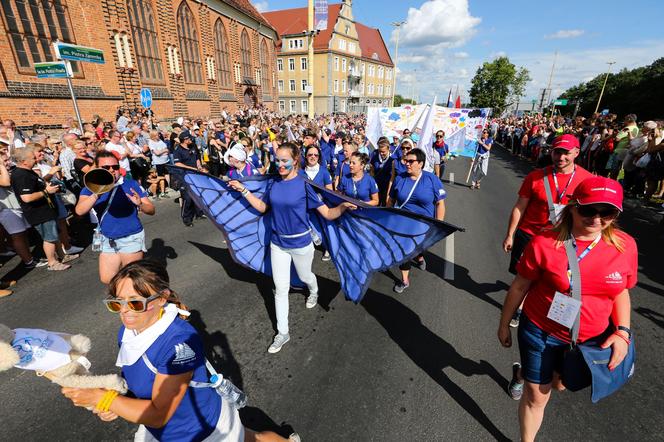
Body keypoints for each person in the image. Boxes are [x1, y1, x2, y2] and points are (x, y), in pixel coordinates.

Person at [61, 260, 301, 442]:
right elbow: (134, 374)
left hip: (201, 430)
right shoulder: (128, 330)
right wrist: (115, 403)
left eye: (135, 302)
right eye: (117, 302)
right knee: (250, 438)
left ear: (162, 298)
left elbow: (159, 414)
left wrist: (106, 399)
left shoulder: (179, 343)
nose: (124, 311)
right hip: (166, 431)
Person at [498, 176, 636, 442]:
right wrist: (504, 324)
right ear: (573, 206)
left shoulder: (625, 246)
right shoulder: (544, 242)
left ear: (616, 214)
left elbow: (621, 291)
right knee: (538, 395)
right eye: (588, 209)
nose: (596, 219)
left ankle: (522, 372)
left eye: (607, 212)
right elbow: (519, 286)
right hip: (541, 330)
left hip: (588, 340)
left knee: (560, 385)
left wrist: (622, 332)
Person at [228, 142, 356, 353]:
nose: (279, 164)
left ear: (295, 161)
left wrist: (341, 206)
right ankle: (283, 332)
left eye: (284, 160)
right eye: (277, 160)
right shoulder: (273, 183)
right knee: (280, 288)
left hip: (300, 243)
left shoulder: (305, 185)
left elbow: (327, 214)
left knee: (306, 277)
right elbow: (262, 207)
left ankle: (313, 290)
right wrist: (243, 190)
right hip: (278, 243)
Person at [502, 134, 593, 346]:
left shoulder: (587, 179)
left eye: (566, 152)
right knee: (523, 279)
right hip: (530, 236)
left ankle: (552, 322)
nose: (560, 157)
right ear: (551, 152)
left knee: (559, 282)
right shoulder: (535, 177)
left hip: (563, 240)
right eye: (557, 151)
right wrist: (510, 234)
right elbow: (520, 207)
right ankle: (522, 310)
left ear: (577, 153)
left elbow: (592, 214)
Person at [75, 151, 155, 283]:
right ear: (97, 168)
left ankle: (138, 298)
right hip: (107, 238)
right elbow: (79, 210)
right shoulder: (91, 187)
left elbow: (151, 210)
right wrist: (97, 194)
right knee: (108, 279)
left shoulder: (130, 184)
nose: (112, 170)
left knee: (132, 279)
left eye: (115, 167)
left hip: (130, 237)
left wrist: (140, 204)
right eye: (106, 168)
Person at [388, 148, 446, 294]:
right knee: (404, 251)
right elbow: (391, 200)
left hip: (424, 225)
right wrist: (387, 217)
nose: (407, 163)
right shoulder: (400, 178)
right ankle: (405, 280)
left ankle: (420, 255)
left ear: (420, 164)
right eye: (406, 160)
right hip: (403, 224)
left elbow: (440, 204)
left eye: (411, 161)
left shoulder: (431, 179)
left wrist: (439, 226)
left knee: (419, 247)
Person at [10, 146, 71, 271]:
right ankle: (52, 263)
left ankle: (62, 256)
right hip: (38, 212)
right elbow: (26, 197)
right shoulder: (21, 175)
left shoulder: (28, 171)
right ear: (24, 161)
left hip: (46, 209)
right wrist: (46, 191)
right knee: (49, 237)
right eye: (33, 158)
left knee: (55, 234)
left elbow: (38, 183)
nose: (36, 160)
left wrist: (49, 175)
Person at [173, 132, 204, 227]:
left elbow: (197, 158)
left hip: (195, 175)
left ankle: (199, 213)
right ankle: (186, 218)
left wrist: (198, 165)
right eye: (189, 138)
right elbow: (177, 164)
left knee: (198, 195)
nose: (191, 140)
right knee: (187, 198)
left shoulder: (192, 147)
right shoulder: (178, 151)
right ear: (185, 140)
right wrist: (191, 168)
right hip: (185, 177)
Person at [369, 138, 395, 206]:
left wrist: (388, 193)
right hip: (376, 187)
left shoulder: (393, 159)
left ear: (388, 149)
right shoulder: (375, 157)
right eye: (380, 151)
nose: (381, 153)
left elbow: (393, 177)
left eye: (383, 151)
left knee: (384, 206)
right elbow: (372, 171)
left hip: (387, 188)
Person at [148, 130, 170, 197]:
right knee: (160, 176)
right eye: (157, 135)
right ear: (154, 136)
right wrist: (164, 151)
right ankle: (152, 190)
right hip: (158, 162)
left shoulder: (160, 140)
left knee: (166, 174)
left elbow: (167, 150)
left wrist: (163, 151)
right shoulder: (151, 142)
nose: (159, 135)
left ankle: (167, 187)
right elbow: (157, 153)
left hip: (166, 160)